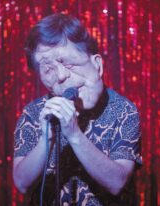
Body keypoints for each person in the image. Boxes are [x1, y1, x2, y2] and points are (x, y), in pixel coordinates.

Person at [13, 13, 142, 205]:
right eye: (48, 70)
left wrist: (73, 133)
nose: (62, 76)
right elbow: (22, 183)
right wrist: (46, 138)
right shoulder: (34, 113)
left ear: (97, 65)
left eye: (69, 63)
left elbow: (117, 182)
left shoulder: (124, 111)